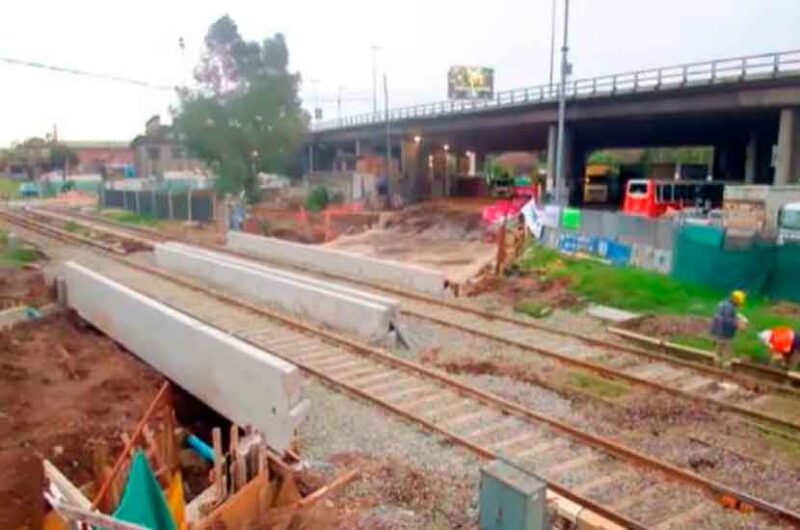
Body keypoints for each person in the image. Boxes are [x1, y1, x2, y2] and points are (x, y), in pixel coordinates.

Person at [710, 290, 748, 368]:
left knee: (718, 348)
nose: (739, 304)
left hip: (718, 330)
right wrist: (738, 325)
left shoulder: (724, 303)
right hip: (726, 332)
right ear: (736, 299)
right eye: (739, 302)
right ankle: (726, 366)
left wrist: (738, 316)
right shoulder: (730, 307)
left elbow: (725, 316)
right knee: (727, 348)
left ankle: (716, 363)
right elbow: (728, 320)